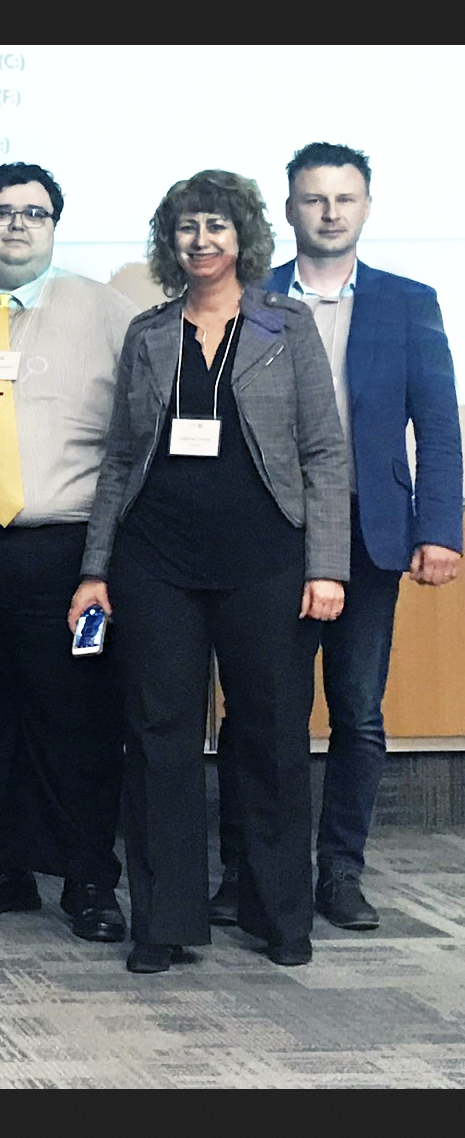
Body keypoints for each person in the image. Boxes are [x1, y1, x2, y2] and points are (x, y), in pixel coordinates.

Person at [72, 170, 349, 974]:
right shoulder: (150, 334)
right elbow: (122, 459)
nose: (202, 241)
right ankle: (163, 922)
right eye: (188, 227)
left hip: (266, 558)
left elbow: (325, 453)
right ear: (172, 240)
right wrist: (96, 569)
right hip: (155, 560)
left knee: (268, 733)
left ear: (244, 240)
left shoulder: (284, 327)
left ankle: (278, 914)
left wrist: (326, 564)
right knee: (158, 737)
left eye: (217, 227)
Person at [208, 143, 461, 932]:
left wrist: (441, 528)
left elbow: (440, 428)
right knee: (259, 710)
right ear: (288, 209)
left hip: (370, 530)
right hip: (271, 530)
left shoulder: (408, 301)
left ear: (365, 209)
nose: (328, 212)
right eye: (313, 199)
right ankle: (244, 870)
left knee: (357, 712)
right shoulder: (249, 299)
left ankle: (341, 873)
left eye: (343, 200)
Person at [0, 163, 139, 945]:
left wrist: (107, 560)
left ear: (55, 224)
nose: (16, 226)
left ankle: (90, 877)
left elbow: (139, 435)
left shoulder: (106, 311)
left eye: (35, 213)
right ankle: (4, 867)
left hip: (70, 553)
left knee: (78, 721)